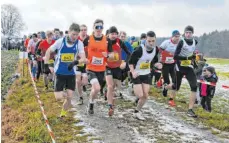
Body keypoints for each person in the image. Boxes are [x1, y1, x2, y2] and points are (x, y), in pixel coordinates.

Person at [44, 23, 86, 118]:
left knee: (69, 97)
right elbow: (48, 51)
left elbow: (83, 58)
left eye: (76, 35)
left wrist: (75, 62)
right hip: (59, 73)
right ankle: (67, 96)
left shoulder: (79, 44)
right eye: (73, 34)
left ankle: (63, 114)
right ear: (69, 32)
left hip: (71, 73)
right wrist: (47, 64)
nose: (75, 37)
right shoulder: (60, 41)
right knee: (58, 97)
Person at [165, 25, 198, 117]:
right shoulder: (181, 42)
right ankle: (166, 88)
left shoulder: (195, 41)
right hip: (179, 67)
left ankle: (190, 109)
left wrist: (194, 57)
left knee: (194, 86)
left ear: (192, 33)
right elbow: (175, 56)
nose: (188, 34)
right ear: (184, 33)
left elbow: (192, 52)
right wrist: (187, 57)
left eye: (190, 33)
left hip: (189, 67)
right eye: (186, 33)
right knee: (176, 86)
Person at [83, 19, 114, 115]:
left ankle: (91, 101)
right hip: (90, 68)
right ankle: (91, 104)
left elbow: (113, 55)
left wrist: (108, 56)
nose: (99, 29)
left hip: (101, 69)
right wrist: (84, 58)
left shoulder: (107, 40)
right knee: (96, 88)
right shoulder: (88, 39)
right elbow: (80, 51)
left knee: (96, 89)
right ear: (93, 27)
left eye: (101, 27)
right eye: (97, 27)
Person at [129, 31, 159, 120]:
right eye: (149, 41)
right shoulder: (139, 49)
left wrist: (157, 64)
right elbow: (130, 62)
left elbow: (154, 61)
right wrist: (133, 72)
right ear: (146, 39)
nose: (151, 43)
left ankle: (137, 111)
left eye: (153, 41)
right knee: (140, 95)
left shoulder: (156, 49)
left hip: (146, 74)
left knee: (145, 96)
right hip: (136, 73)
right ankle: (132, 86)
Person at [106, 26, 131, 116]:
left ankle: (112, 105)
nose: (114, 35)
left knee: (115, 88)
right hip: (107, 67)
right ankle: (109, 106)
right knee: (110, 86)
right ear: (108, 34)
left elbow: (129, 53)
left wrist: (125, 63)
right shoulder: (104, 42)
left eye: (115, 34)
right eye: (112, 34)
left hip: (117, 67)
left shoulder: (119, 42)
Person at [160, 30, 180, 99]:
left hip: (173, 64)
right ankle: (165, 88)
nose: (177, 38)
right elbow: (160, 50)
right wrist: (163, 57)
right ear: (172, 37)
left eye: (178, 36)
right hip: (165, 65)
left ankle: (171, 98)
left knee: (175, 81)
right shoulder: (166, 43)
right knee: (167, 81)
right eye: (176, 36)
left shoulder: (179, 44)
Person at [75, 24, 89, 105]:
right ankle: (80, 97)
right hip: (78, 63)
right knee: (77, 81)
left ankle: (84, 85)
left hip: (87, 63)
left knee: (85, 81)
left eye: (85, 30)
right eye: (82, 30)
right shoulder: (76, 40)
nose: (83, 31)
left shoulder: (89, 39)